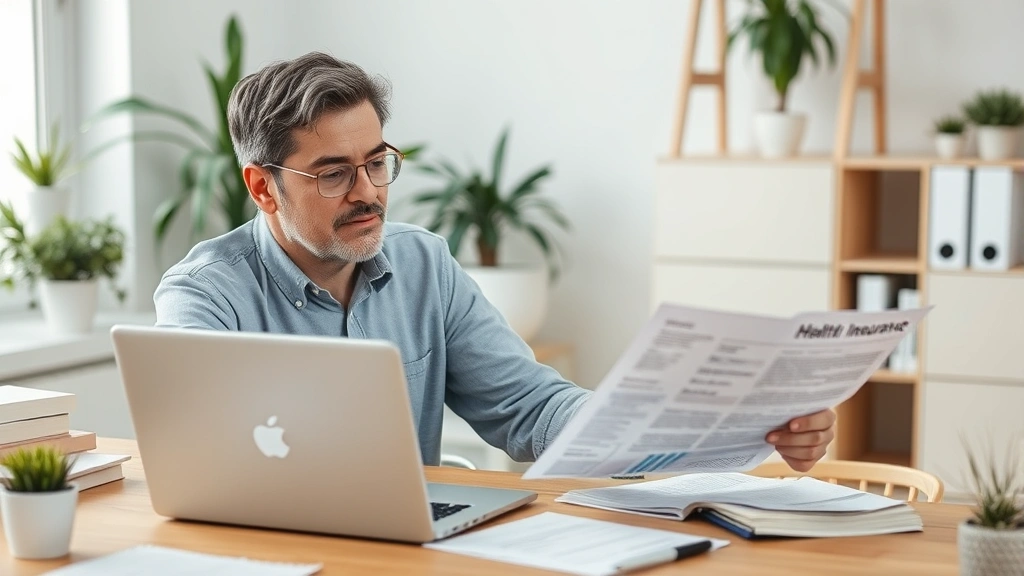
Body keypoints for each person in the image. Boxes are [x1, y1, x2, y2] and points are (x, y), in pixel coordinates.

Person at [153, 51, 835, 472]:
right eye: (334, 174)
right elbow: (203, 458)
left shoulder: (424, 267)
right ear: (263, 186)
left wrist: (705, 423)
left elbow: (534, 409)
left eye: (376, 162)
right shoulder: (204, 297)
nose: (368, 192)